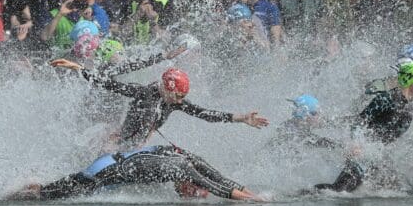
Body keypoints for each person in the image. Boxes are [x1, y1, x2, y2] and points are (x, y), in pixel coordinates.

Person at [49, 62, 268, 148]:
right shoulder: (145, 93)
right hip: (119, 142)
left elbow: (204, 114)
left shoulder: (175, 102)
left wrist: (241, 118)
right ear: (168, 89)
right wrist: (78, 68)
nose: (182, 101)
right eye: (179, 96)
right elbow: (110, 85)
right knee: (108, 147)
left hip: (139, 147)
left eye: (183, 96)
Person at [314, 62, 413, 193]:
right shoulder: (387, 98)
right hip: (363, 156)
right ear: (408, 78)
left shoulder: (409, 108)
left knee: (401, 192)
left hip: (379, 159)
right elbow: (360, 121)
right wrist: (356, 143)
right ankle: (304, 192)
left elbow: (395, 139)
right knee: (338, 191)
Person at [12, 144, 262, 201]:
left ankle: (29, 187)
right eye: (194, 192)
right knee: (47, 195)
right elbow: (221, 190)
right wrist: (256, 202)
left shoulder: (189, 158)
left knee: (54, 189)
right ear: (188, 182)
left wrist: (252, 192)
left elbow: (221, 179)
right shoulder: (182, 167)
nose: (191, 195)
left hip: (114, 162)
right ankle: (15, 194)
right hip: (105, 170)